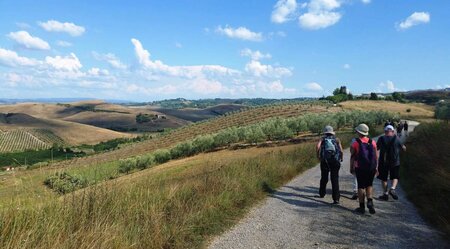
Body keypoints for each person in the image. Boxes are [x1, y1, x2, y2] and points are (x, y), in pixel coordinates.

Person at [350, 124, 378, 214]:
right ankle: (370, 201)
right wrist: (376, 167)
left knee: (361, 186)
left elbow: (352, 156)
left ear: (358, 132)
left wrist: (351, 167)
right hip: (371, 167)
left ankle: (362, 207)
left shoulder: (355, 143)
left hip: (360, 167)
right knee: (369, 185)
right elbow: (376, 156)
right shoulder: (372, 142)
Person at [377, 125, 406, 201]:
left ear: (385, 132)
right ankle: (392, 188)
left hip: (383, 162)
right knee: (395, 176)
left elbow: (377, 148)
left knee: (384, 178)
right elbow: (403, 148)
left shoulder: (381, 138)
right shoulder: (396, 138)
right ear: (393, 131)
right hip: (395, 162)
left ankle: (385, 194)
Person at [316, 125, 343, 204]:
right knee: (334, 179)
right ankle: (336, 198)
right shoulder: (337, 139)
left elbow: (317, 147)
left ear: (325, 132)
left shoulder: (322, 139)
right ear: (332, 132)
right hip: (335, 161)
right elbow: (341, 150)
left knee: (324, 177)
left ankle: (322, 193)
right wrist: (341, 158)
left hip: (325, 160)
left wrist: (318, 156)